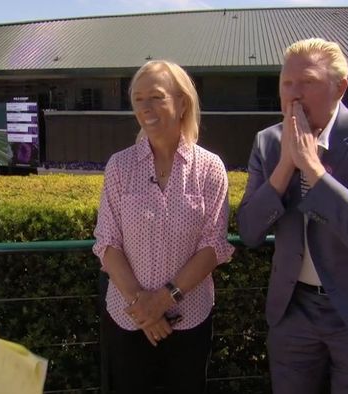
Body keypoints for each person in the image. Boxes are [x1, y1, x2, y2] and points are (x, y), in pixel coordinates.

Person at [237, 38, 348, 393]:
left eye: (307, 82)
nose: (293, 94)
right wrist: (287, 165)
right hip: (293, 309)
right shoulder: (268, 142)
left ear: (341, 87)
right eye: (286, 83)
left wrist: (311, 166)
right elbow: (249, 231)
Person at [93, 60, 234, 394]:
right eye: (139, 99)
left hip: (191, 320)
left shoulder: (210, 168)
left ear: (182, 102)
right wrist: (144, 308)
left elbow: (213, 246)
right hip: (128, 319)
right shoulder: (120, 166)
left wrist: (164, 300)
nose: (146, 107)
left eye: (156, 97)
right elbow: (107, 242)